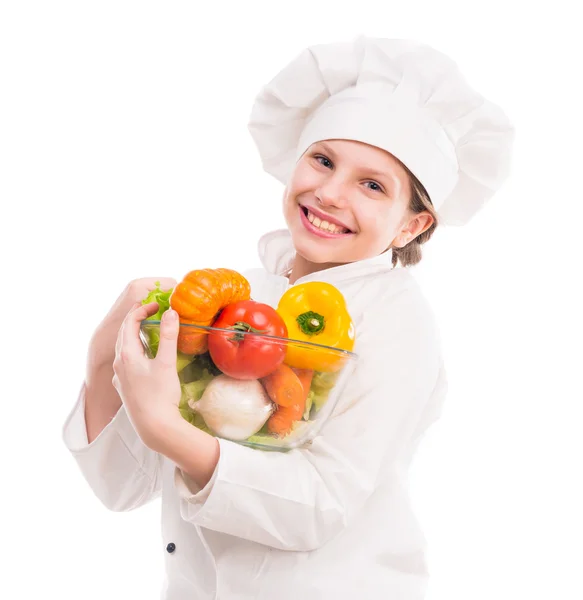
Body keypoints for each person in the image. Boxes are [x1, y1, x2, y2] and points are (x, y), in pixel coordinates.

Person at [62, 36, 514, 599]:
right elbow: (122, 485)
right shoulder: (246, 300)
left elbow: (320, 504)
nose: (328, 193)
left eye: (372, 185)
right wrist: (104, 353)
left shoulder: (398, 325)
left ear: (412, 226)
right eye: (322, 160)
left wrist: (165, 427)